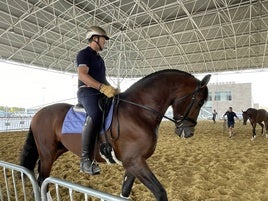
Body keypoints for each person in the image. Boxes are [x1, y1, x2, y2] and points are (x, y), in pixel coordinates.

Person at [76, 26, 118, 175]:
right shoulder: (84, 54)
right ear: (95, 38)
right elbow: (82, 75)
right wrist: (101, 88)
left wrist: (112, 89)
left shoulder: (99, 59)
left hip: (100, 91)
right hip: (87, 92)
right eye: (103, 39)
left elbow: (103, 79)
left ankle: (107, 146)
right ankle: (85, 160)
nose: (105, 42)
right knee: (95, 113)